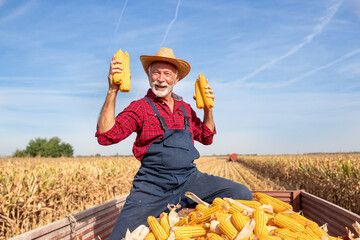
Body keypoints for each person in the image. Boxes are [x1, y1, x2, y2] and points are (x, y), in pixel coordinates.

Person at [96, 47, 252, 240]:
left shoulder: (185, 108)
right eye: (156, 73)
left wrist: (208, 109)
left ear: (176, 79)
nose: (161, 79)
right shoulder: (140, 107)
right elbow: (106, 136)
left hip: (190, 179)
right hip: (153, 185)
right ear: (149, 76)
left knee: (241, 193)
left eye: (167, 74)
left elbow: (207, 137)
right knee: (119, 237)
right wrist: (112, 90)